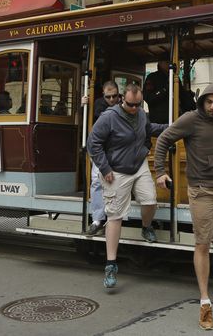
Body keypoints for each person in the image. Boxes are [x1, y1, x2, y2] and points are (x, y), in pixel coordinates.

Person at [154, 84, 213, 331]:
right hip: (202, 190)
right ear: (202, 102)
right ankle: (205, 302)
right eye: (209, 102)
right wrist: (160, 171)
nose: (212, 106)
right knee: (201, 243)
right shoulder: (190, 120)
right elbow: (163, 139)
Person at [87, 84, 168, 289]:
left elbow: (149, 129)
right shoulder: (108, 117)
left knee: (150, 200)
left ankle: (146, 227)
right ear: (123, 99)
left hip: (138, 165)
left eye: (137, 104)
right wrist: (105, 169)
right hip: (116, 170)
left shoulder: (141, 114)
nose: (134, 108)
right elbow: (93, 143)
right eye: (131, 104)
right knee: (115, 216)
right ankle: (111, 265)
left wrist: (171, 127)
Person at [81, 81, 122, 236]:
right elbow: (87, 119)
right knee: (97, 181)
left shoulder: (125, 104)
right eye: (108, 97)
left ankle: (114, 218)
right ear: (103, 95)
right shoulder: (97, 104)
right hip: (100, 150)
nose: (111, 99)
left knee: (117, 182)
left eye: (114, 96)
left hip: (118, 150)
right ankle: (97, 219)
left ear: (119, 94)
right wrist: (83, 106)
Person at [144, 60, 196, 124]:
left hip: (176, 118)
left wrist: (192, 104)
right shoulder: (152, 77)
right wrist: (165, 90)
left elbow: (182, 95)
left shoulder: (175, 77)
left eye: (170, 62)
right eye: (167, 62)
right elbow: (148, 98)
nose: (169, 64)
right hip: (159, 121)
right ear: (160, 63)